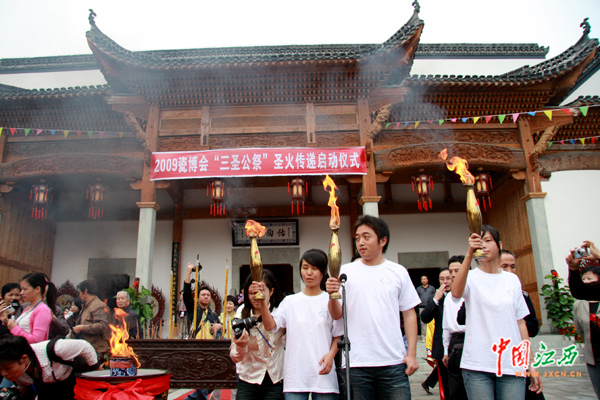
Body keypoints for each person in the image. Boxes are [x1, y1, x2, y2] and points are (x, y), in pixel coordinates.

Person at [326, 215, 420, 400]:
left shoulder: (398, 272)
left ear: (382, 241)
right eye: (357, 238)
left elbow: (409, 314)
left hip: (393, 361)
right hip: (357, 363)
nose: (360, 242)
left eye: (366, 237)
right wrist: (332, 295)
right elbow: (337, 315)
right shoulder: (345, 272)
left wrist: (412, 354)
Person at [451, 225, 542, 400]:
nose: (483, 245)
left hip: (511, 364)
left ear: (499, 245)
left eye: (488, 240)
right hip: (477, 365)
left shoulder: (512, 280)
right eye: (479, 242)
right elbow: (455, 293)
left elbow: (520, 323)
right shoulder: (470, 277)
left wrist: (530, 362)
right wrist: (468, 254)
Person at [260, 249, 343, 399]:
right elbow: (270, 325)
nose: (309, 273)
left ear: (324, 272)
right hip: (296, 377)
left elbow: (338, 334)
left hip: (324, 374)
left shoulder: (330, 300)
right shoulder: (290, 301)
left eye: (314, 268)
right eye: (305, 268)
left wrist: (331, 355)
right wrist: (261, 302)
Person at [230, 270, 285, 400]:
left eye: (260, 292)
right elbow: (235, 356)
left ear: (271, 291)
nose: (256, 297)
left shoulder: (280, 311)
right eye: (251, 293)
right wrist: (240, 347)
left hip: (275, 378)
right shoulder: (241, 312)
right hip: (249, 377)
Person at [500, 250, 544, 400]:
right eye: (504, 266)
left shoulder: (522, 295)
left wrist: (517, 322)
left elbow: (533, 327)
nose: (510, 271)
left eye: (513, 266)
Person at [0, 334, 99, 400]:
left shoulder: (55, 349)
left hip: (74, 384)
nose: (3, 374)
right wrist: (14, 392)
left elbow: (85, 346)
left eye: (7, 368)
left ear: (24, 359)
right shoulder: (16, 374)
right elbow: (24, 387)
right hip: (50, 392)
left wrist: (95, 369)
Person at [420, 268, 452, 397]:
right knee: (445, 386)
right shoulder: (436, 298)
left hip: (459, 345)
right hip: (441, 346)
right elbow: (425, 318)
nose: (445, 282)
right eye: (442, 279)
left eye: (448, 278)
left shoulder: (461, 296)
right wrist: (435, 300)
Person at [0, 273, 54, 344]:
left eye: (24, 289)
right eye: (21, 289)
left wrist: (14, 328)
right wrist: (7, 322)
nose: (21, 293)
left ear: (37, 289)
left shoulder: (42, 310)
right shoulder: (27, 308)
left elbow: (37, 340)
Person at [442, 255, 468, 400]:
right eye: (451, 271)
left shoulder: (472, 292)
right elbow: (446, 326)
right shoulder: (448, 297)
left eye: (457, 270)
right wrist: (446, 351)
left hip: (470, 339)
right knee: (455, 387)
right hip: (455, 341)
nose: (453, 274)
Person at [573, 265, 600, 398]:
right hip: (593, 356)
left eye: (589, 278)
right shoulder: (579, 304)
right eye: (583, 279)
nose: (586, 282)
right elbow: (580, 329)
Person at [72, 280, 110, 359]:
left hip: (97, 351)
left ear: (85, 291)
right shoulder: (86, 306)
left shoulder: (98, 306)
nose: (79, 295)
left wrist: (82, 328)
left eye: (80, 292)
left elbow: (102, 326)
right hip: (86, 349)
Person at [183, 263, 223, 340]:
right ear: (198, 298)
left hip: (211, 345)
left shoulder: (214, 315)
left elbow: (223, 331)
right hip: (195, 344)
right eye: (203, 295)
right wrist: (188, 273)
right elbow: (186, 294)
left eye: (208, 295)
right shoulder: (194, 310)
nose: (206, 296)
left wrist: (221, 326)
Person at [417, 275, 436, 343]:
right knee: (423, 322)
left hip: (430, 307)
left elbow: (434, 296)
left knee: (431, 322)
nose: (423, 280)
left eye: (425, 279)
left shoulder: (432, 288)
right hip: (421, 307)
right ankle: (424, 337)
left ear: (427, 280)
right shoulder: (418, 289)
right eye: (422, 279)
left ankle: (431, 336)